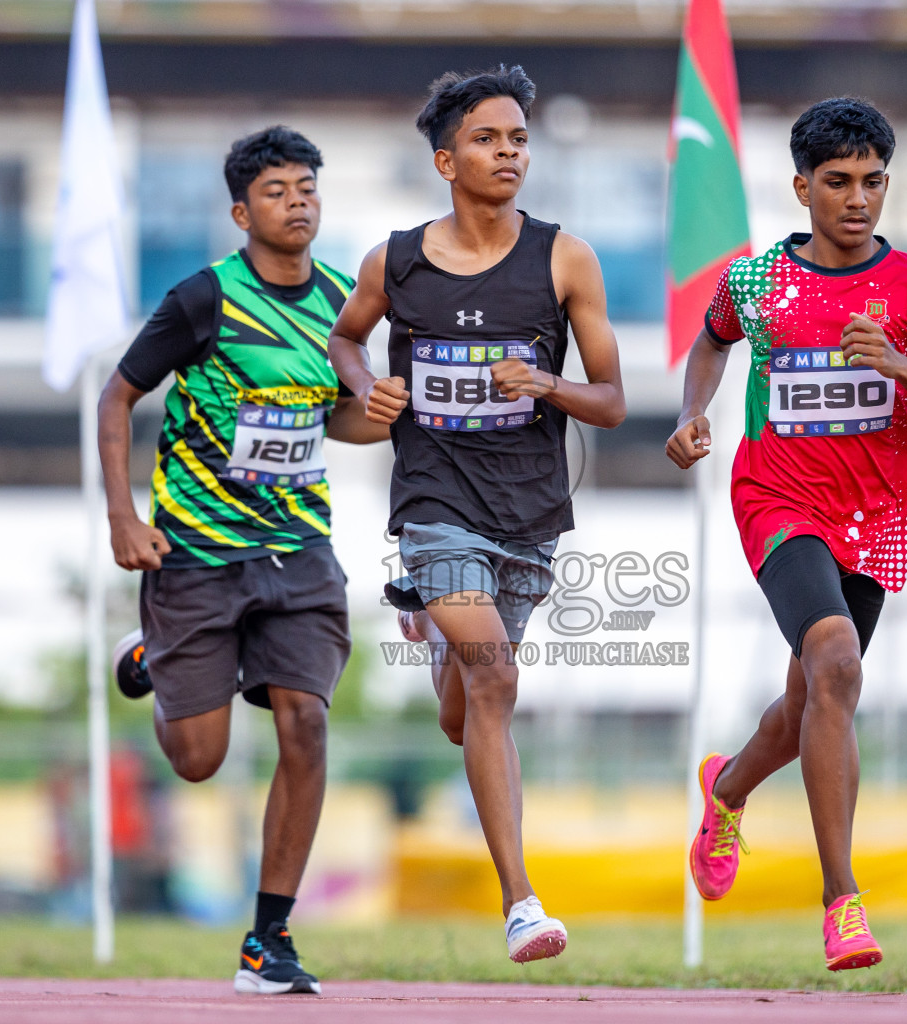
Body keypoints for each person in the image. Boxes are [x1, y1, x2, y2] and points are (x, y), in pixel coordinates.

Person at [665, 97, 907, 971]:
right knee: (837, 661)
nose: (858, 199)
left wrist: (901, 367)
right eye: (839, 183)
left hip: (876, 516)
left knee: (816, 697)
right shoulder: (758, 280)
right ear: (802, 186)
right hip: (777, 498)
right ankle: (843, 902)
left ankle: (726, 786)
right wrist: (694, 413)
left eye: (874, 182)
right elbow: (710, 340)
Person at [327, 65, 626, 963]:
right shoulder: (398, 259)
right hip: (434, 497)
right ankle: (522, 903)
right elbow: (346, 335)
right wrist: (366, 386)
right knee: (495, 679)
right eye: (490, 139)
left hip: (530, 510)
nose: (509, 153)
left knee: (464, 712)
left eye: (519, 139)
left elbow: (610, 401)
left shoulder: (565, 258)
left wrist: (546, 382)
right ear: (445, 160)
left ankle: (430, 624)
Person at [99, 125, 386, 996]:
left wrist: (388, 411)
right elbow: (118, 398)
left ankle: (270, 940)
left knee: (306, 722)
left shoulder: (343, 302)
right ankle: (159, 655)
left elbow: (337, 414)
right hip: (196, 555)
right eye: (277, 190)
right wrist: (124, 517)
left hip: (298, 549)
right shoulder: (204, 301)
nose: (297, 200)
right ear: (240, 211)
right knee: (197, 759)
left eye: (308, 186)